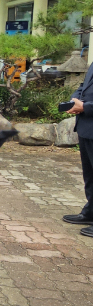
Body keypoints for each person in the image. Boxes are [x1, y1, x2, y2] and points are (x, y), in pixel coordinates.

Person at [63, 64, 93, 237]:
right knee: (89, 175)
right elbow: (84, 86)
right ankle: (90, 211)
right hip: (86, 127)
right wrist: (74, 99)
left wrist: (86, 107)